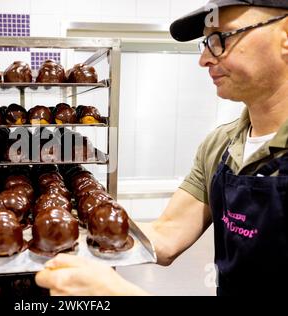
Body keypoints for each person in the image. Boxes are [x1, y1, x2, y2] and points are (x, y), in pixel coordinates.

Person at [35, 0, 288, 296]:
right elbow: (167, 234)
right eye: (206, 42)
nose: (204, 58)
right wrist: (57, 234)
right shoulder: (221, 144)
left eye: (222, 38)